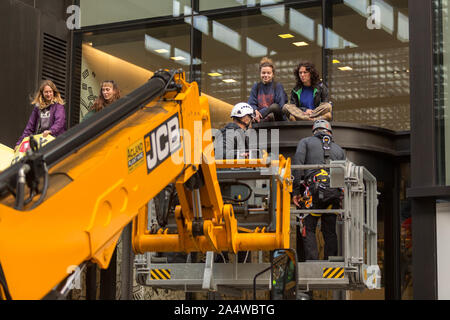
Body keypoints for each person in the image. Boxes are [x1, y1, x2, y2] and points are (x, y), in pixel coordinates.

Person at [292, 120, 345, 261]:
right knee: (330, 231)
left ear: (314, 130)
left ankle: (312, 262)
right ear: (329, 132)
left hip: (312, 193)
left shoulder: (305, 142)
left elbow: (297, 164)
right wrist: (341, 199)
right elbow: (343, 176)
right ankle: (332, 262)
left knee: (308, 228)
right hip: (332, 194)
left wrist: (296, 191)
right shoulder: (339, 150)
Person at [15, 80, 66, 150]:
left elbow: (60, 122)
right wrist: (19, 143)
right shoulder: (38, 108)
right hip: (40, 141)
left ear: (54, 92)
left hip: (55, 141)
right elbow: (29, 127)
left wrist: (51, 131)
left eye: (50, 91)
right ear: (42, 93)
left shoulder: (58, 106)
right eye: (46, 92)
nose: (48, 94)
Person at [248, 57, 287, 122]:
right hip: (261, 119)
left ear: (273, 74)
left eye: (268, 73)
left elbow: (280, 106)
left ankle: (258, 118)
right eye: (263, 73)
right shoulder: (256, 86)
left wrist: (261, 112)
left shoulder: (278, 86)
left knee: (274, 107)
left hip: (276, 120)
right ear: (260, 74)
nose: (266, 75)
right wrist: (255, 110)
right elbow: (251, 103)